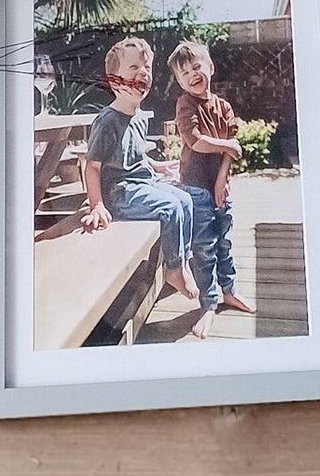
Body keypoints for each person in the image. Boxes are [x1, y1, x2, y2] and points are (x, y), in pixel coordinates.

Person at [79, 37, 198, 312]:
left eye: (147, 67)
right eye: (133, 67)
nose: (143, 72)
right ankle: (174, 268)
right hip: (120, 192)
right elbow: (92, 166)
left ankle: (183, 261)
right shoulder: (107, 121)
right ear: (113, 80)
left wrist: (156, 167)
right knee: (170, 208)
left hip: (141, 182)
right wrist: (97, 204)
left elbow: (134, 155)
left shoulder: (138, 116)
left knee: (185, 200)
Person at [169, 38, 254, 336]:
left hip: (219, 185)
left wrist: (222, 179)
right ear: (180, 82)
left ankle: (228, 289)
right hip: (195, 187)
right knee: (204, 248)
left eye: (196, 67)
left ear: (210, 67)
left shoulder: (225, 107)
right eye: (184, 74)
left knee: (224, 242)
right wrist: (228, 144)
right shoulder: (185, 104)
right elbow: (196, 141)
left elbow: (228, 155)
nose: (192, 75)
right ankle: (208, 303)